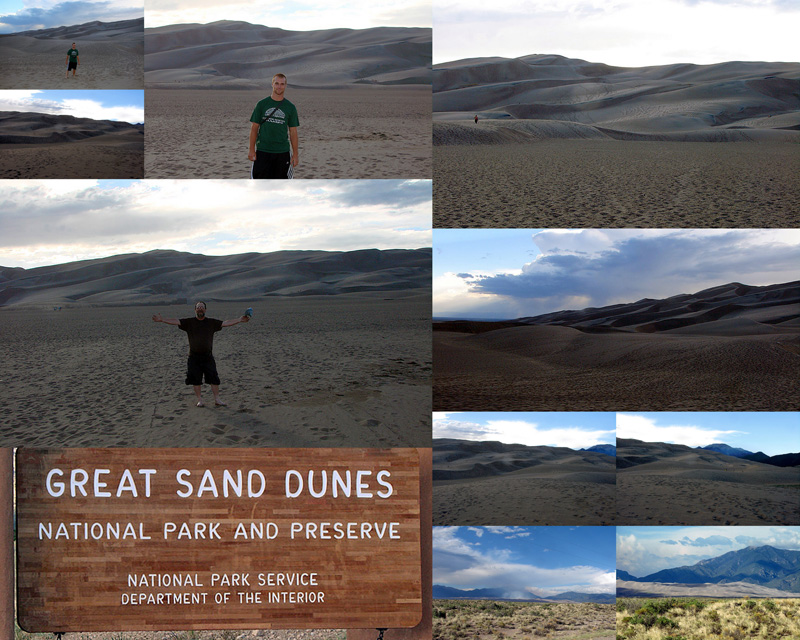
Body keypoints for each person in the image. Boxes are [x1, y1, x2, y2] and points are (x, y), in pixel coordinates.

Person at [152, 301, 250, 407]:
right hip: (194, 357)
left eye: (202, 307)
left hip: (208, 356)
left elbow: (225, 323)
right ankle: (200, 400)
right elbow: (176, 321)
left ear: (205, 310)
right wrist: (162, 320)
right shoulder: (189, 322)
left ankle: (217, 399)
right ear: (195, 310)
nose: (200, 309)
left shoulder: (211, 322)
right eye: (198, 307)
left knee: (214, 378)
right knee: (196, 379)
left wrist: (239, 320)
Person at [248, 73, 299, 179]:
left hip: (282, 152)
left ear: (285, 86)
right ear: (272, 84)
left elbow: (293, 132)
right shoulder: (262, 104)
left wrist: (295, 154)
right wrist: (251, 149)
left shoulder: (290, 107)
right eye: (277, 83)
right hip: (263, 151)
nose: (279, 86)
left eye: (282, 84)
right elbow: (254, 128)